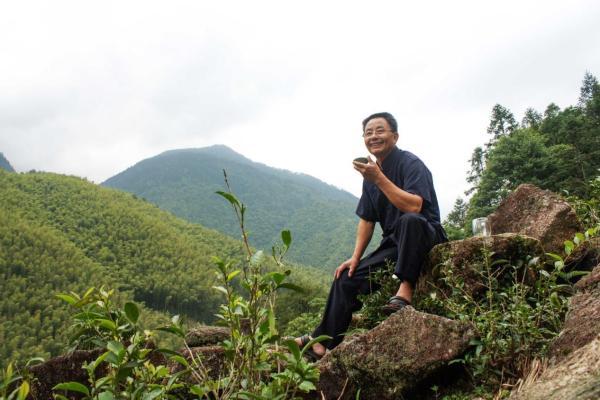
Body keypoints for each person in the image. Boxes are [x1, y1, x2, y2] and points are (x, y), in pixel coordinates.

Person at [296, 112, 447, 360]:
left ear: (395, 136)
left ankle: (405, 290)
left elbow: (415, 207)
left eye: (380, 130)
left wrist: (379, 179)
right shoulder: (371, 176)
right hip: (395, 244)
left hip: (425, 234)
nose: (373, 136)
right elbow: (367, 219)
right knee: (346, 277)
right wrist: (355, 257)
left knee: (409, 220)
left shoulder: (411, 164)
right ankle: (322, 341)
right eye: (368, 132)